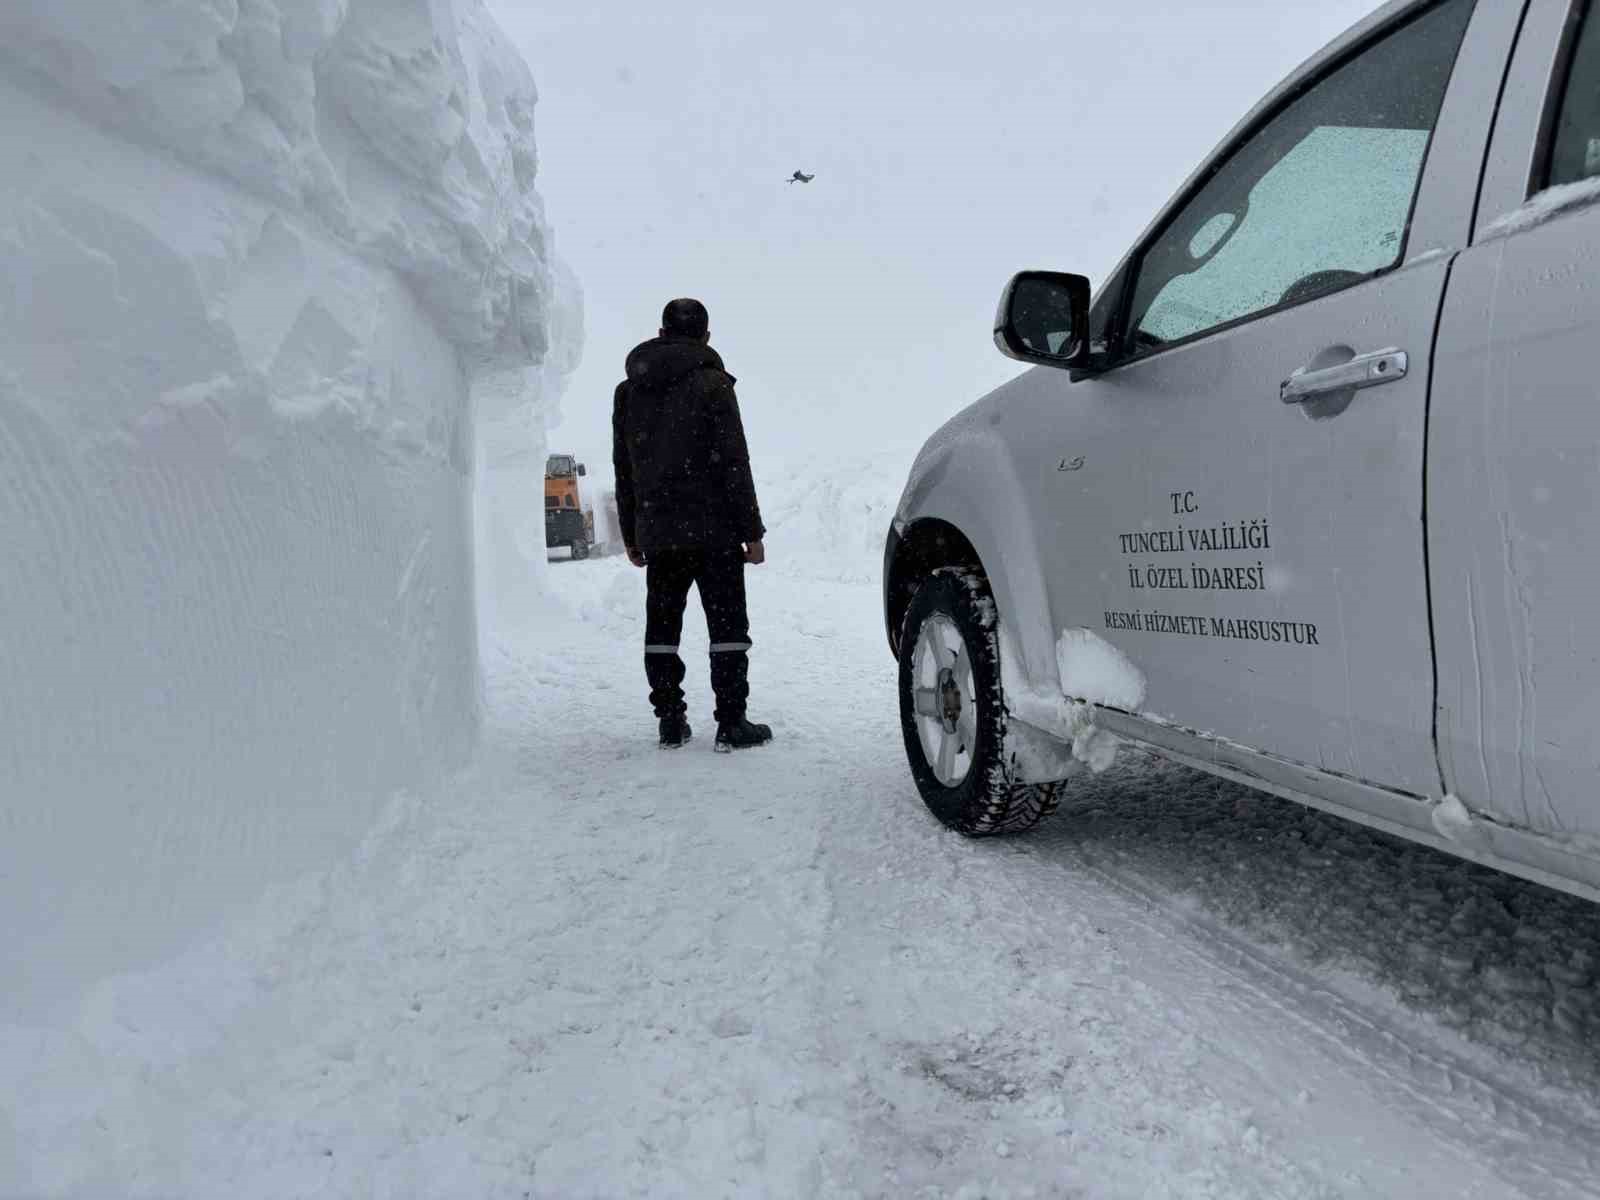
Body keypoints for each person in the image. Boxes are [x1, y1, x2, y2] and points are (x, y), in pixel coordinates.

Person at [612, 298, 774, 752]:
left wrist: (633, 533)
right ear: (705, 336)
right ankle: (731, 723)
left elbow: (624, 467)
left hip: (661, 534)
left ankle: (669, 719)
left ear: (662, 332)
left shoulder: (629, 391)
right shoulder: (713, 384)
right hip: (716, 531)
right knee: (727, 629)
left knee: (662, 627)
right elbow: (734, 462)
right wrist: (752, 532)